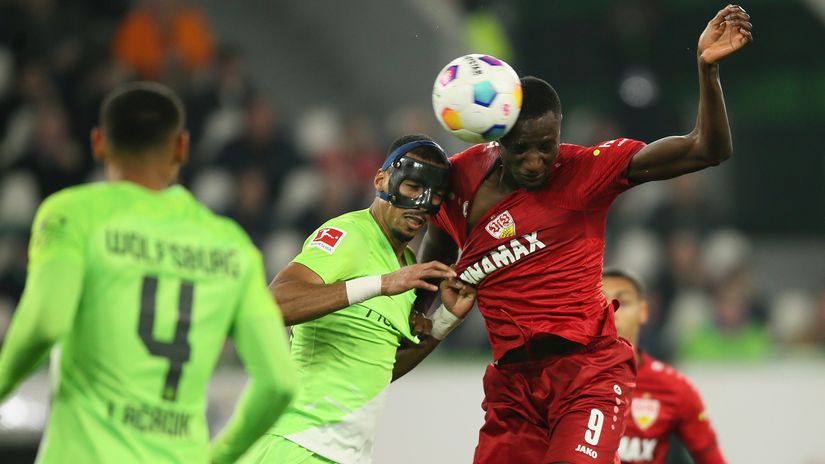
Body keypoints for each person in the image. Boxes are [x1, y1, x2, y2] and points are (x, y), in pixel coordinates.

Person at [417, 6, 753, 463]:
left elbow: (707, 149)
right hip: (512, 390)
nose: (537, 161)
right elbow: (433, 263)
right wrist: (413, 318)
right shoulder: (459, 182)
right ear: (496, 139)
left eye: (546, 146)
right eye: (522, 150)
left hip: (588, 376)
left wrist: (706, 70)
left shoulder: (586, 170)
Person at [0, 82, 296, 464]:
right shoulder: (231, 246)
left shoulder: (73, 214)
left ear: (99, 143)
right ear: (182, 148)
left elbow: (45, 322)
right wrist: (219, 457)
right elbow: (279, 381)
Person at [241, 134, 476, 464]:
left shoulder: (408, 270)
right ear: (381, 179)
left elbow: (380, 367)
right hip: (295, 443)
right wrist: (380, 283)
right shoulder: (350, 235)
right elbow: (272, 306)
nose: (422, 203)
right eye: (412, 186)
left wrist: (443, 320)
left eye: (435, 195)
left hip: (344, 455)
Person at [603, 268, 726, 464]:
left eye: (623, 302)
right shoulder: (561, 379)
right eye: (601, 301)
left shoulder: (675, 388)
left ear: (643, 312)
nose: (611, 310)